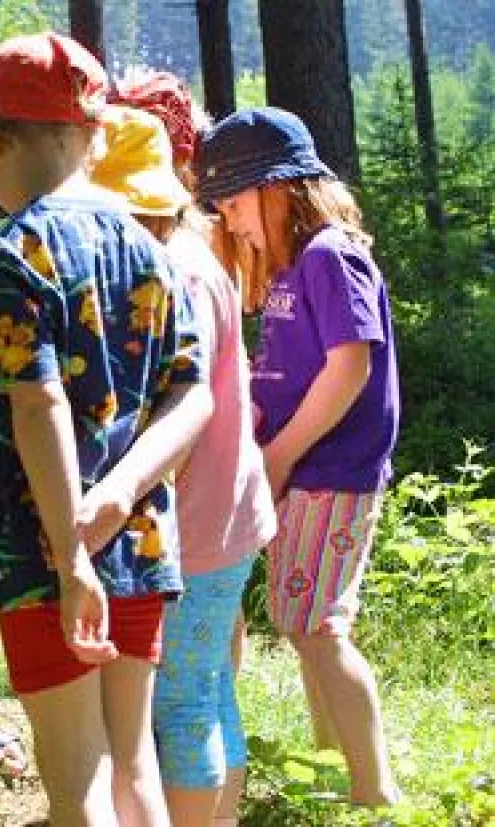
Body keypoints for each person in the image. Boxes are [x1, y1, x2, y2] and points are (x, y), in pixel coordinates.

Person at [0, 33, 212, 826]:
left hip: (45, 553)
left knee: (79, 786)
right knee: (134, 770)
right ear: (92, 134)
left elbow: (38, 404)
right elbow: (191, 397)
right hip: (143, 543)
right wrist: (120, 495)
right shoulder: (152, 246)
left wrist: (71, 552)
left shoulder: (4, 253)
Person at [197, 106, 402, 807]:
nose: (229, 220)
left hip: (328, 471)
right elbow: (289, 367)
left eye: (233, 201)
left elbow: (350, 365)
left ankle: (374, 790)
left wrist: (279, 455)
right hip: (301, 471)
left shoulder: (329, 254)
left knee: (318, 626)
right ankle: (327, 767)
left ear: (279, 187)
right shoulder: (289, 269)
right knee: (301, 619)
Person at [89, 104, 277, 827]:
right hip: (222, 513)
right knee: (206, 687)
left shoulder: (178, 275)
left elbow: (177, 415)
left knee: (181, 699)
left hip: (196, 526)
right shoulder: (194, 258)